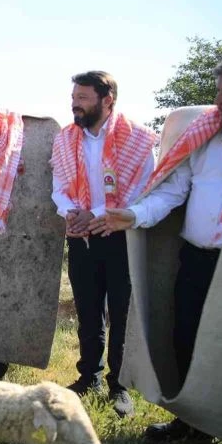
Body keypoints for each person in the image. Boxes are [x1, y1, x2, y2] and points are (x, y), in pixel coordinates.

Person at [91, 46, 222, 442]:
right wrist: (133, 215)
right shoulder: (203, 137)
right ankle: (191, 424)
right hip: (198, 261)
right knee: (185, 337)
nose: (220, 99)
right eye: (219, 90)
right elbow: (170, 193)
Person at [49, 71, 156, 418]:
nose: (74, 104)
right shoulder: (66, 139)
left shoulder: (137, 139)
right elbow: (58, 186)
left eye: (83, 97)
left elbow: (142, 190)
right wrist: (71, 212)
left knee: (122, 312)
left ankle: (119, 386)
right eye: (74, 97)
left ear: (107, 99)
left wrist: (93, 213)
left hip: (121, 235)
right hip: (81, 236)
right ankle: (88, 378)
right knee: (88, 310)